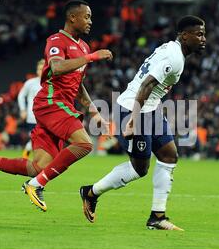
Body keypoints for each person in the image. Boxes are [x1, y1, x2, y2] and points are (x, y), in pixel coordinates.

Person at [0, 0, 113, 212]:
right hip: (50, 103)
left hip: (61, 105)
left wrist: (94, 112)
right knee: (85, 144)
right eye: (86, 16)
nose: (90, 21)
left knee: (38, 167)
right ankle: (36, 185)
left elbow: (78, 85)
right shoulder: (56, 40)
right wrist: (91, 57)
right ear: (72, 17)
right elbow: (58, 67)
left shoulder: (83, 46)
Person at [79, 15, 206, 231]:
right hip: (132, 109)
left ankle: (157, 216)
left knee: (169, 156)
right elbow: (146, 86)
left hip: (151, 108)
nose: (204, 39)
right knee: (140, 169)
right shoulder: (174, 57)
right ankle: (91, 192)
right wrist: (132, 122)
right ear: (184, 36)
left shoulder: (173, 50)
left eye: (204, 34)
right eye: (199, 34)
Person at [17, 59, 44, 159]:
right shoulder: (30, 83)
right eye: (39, 69)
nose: (40, 71)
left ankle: (27, 157)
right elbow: (21, 95)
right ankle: (27, 157)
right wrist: (23, 109)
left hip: (47, 117)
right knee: (35, 138)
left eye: (43, 68)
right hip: (33, 117)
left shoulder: (50, 83)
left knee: (41, 139)